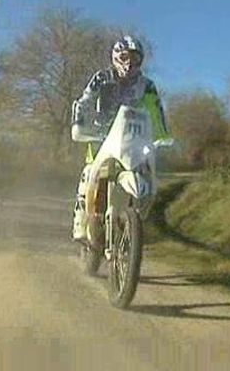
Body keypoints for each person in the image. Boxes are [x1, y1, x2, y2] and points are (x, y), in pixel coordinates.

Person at [70, 35, 172, 242]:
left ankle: (134, 220)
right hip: (101, 136)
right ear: (116, 57)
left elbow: (155, 110)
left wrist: (162, 136)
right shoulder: (102, 77)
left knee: (147, 173)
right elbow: (83, 102)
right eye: (125, 57)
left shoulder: (147, 85)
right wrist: (79, 125)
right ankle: (80, 221)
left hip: (134, 137)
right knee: (89, 173)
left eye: (135, 59)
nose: (130, 63)